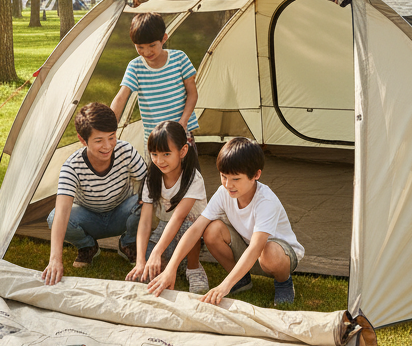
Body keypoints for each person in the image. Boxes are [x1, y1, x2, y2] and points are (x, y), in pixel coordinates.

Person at [147, 137, 302, 307]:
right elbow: (196, 228)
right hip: (247, 248)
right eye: (223, 176)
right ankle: (241, 280)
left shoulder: (266, 201)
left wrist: (223, 287)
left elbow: (256, 247)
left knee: (269, 251)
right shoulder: (224, 192)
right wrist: (171, 268)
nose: (228, 185)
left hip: (278, 256)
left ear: (256, 175)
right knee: (210, 230)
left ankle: (283, 282)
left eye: (236, 179)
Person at [43, 102, 145, 285]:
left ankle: (128, 243)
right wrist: (54, 259)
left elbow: (150, 186)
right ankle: (87, 246)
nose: (107, 146)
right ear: (83, 140)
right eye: (99, 140)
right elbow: (62, 212)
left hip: (121, 214)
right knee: (53, 217)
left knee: (145, 201)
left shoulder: (126, 151)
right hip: (90, 219)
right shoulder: (71, 167)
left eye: (111, 137)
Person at [125, 121, 210, 295]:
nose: (159, 160)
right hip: (166, 228)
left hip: (192, 228)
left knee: (189, 225)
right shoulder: (151, 179)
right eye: (154, 154)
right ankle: (178, 263)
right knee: (147, 276)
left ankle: (193, 267)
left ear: (183, 151)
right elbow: (145, 221)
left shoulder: (193, 179)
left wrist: (157, 251)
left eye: (166, 154)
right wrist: (141, 261)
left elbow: (179, 217)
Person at [110, 12, 199, 142]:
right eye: (140, 47)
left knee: (185, 162)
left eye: (152, 45)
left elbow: (192, 94)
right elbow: (121, 98)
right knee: (158, 162)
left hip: (182, 132)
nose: (146, 52)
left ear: (164, 38)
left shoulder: (179, 59)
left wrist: (183, 122)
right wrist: (109, 128)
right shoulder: (135, 67)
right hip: (155, 137)